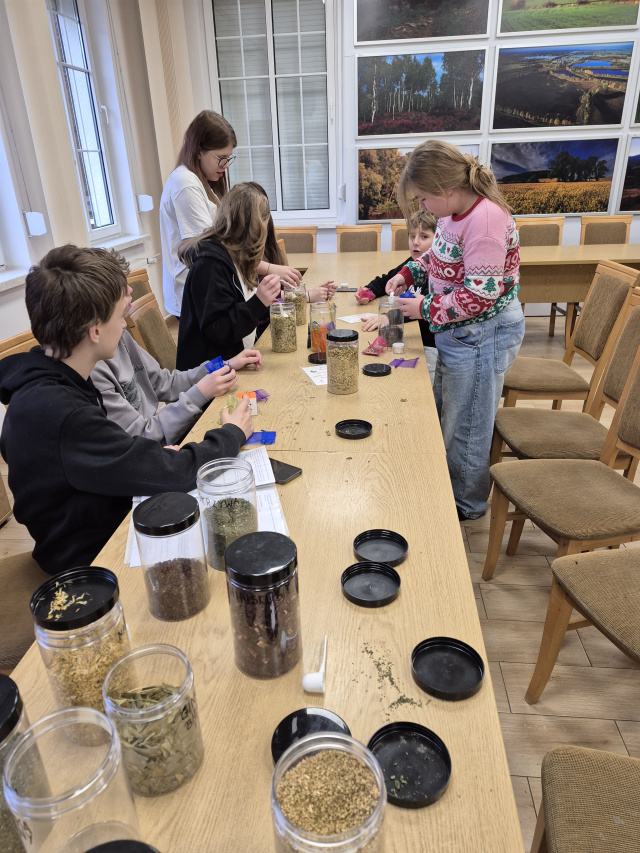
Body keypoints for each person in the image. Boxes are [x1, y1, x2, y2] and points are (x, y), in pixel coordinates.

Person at [0, 245, 253, 575]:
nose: (125, 324)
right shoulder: (60, 411)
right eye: (120, 317)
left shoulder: (53, 379)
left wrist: (136, 459)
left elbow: (103, 457)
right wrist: (231, 434)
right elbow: (172, 473)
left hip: (102, 515)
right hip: (89, 560)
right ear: (95, 330)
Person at [387, 140, 524, 521]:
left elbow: (480, 295)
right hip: (461, 332)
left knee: (468, 423)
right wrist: (408, 273)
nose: (421, 206)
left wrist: (423, 308)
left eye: (422, 198)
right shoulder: (452, 212)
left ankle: (465, 505)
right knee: (453, 413)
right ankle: (448, 488)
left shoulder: (486, 221)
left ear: (446, 189)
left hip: (483, 334)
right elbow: (437, 256)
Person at [160, 111, 302, 317]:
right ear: (199, 151)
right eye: (221, 158)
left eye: (229, 158)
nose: (226, 165)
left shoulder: (202, 181)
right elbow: (209, 251)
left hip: (211, 292)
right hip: (199, 296)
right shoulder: (185, 183)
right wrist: (269, 268)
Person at [91, 326, 262, 445]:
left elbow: (164, 382)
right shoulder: (94, 372)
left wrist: (223, 366)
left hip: (160, 438)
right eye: (119, 315)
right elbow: (141, 438)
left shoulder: (120, 334)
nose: (124, 323)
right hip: (153, 449)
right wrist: (199, 395)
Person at [176, 183, 283, 368]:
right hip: (211, 374)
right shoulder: (210, 265)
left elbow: (240, 306)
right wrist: (259, 302)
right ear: (255, 228)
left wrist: (270, 301)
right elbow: (218, 330)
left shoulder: (236, 255)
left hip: (236, 359)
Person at [357, 209, 438, 383]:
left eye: (424, 237)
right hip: (409, 341)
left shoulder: (437, 275)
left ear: (438, 240)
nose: (415, 242)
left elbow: (418, 307)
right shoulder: (411, 264)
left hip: (427, 346)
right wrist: (369, 292)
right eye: (412, 236)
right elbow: (386, 280)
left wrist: (389, 317)